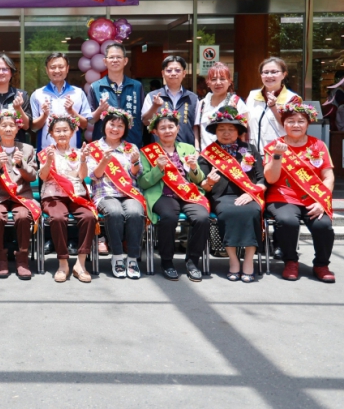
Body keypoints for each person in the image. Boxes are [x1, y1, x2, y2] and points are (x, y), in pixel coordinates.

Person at [264, 103, 335, 283]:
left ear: (308, 124)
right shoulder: (274, 146)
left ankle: (321, 264)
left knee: (323, 225)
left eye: (301, 121)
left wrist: (322, 201)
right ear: (283, 124)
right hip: (282, 197)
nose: (296, 125)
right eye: (291, 121)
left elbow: (328, 177)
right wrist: (277, 156)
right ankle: (290, 261)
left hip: (313, 198)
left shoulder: (318, 145)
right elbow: (271, 179)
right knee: (287, 221)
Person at [138, 109, 209, 282]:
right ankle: (167, 261)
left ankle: (193, 261)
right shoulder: (147, 152)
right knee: (169, 217)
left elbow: (199, 179)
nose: (167, 131)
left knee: (202, 218)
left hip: (187, 193)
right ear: (155, 131)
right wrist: (158, 169)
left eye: (171, 127)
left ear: (178, 128)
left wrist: (194, 168)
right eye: (162, 128)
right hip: (162, 194)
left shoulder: (188, 148)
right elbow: (143, 182)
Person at [198, 106, 266, 283]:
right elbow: (203, 187)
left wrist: (252, 194)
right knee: (228, 212)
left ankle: (249, 260)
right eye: (221, 129)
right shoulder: (208, 153)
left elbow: (262, 180)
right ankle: (234, 260)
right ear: (215, 132)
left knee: (252, 211)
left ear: (238, 131)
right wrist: (209, 182)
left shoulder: (250, 149)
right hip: (221, 197)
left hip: (249, 194)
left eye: (231, 129)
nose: (226, 133)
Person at [85, 107, 146, 279]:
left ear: (125, 129)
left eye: (120, 126)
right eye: (112, 124)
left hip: (128, 193)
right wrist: (104, 161)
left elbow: (136, 174)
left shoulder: (130, 147)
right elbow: (94, 176)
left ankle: (132, 258)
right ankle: (118, 257)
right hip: (104, 193)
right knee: (114, 212)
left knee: (135, 212)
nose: (115, 129)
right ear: (104, 125)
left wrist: (135, 163)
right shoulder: (94, 148)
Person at [38, 114, 98, 283]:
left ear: (72, 132)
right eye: (58, 131)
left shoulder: (79, 153)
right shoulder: (46, 153)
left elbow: (83, 176)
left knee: (88, 217)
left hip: (76, 195)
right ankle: (63, 263)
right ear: (51, 133)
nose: (62, 134)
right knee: (58, 217)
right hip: (53, 195)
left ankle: (80, 263)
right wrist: (49, 161)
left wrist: (83, 160)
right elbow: (43, 177)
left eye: (65, 130)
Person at [0, 108, 39, 280]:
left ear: (17, 128)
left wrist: (21, 164)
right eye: (4, 125)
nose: (8, 129)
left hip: (21, 196)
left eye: (11, 125)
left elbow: (33, 176)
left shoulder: (27, 149)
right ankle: (0, 257)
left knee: (23, 216)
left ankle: (22, 258)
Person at [87, 43, 145, 148]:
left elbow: (143, 118)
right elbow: (90, 120)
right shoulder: (96, 87)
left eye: (118, 57)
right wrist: (100, 110)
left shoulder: (137, 86)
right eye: (111, 57)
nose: (115, 60)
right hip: (104, 147)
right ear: (105, 61)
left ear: (125, 61)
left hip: (132, 145)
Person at [30, 52, 91, 150]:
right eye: (53, 67)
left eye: (61, 67)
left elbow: (85, 125)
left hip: (73, 151)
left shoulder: (78, 93)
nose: (57, 70)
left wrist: (72, 112)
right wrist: (44, 115)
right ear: (46, 70)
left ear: (67, 69)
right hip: (46, 151)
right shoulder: (37, 94)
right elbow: (33, 127)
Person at [247, 57, 302, 154]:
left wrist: (273, 107)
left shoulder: (292, 98)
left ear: (284, 74)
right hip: (253, 153)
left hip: (280, 153)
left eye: (274, 72)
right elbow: (245, 122)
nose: (269, 76)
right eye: (265, 72)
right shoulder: (252, 95)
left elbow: (293, 126)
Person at [141, 55, 200, 145]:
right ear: (163, 73)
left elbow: (195, 127)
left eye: (177, 70)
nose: (173, 73)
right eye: (169, 70)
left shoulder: (193, 98)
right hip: (159, 150)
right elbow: (145, 122)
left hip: (187, 150)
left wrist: (197, 148)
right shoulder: (152, 96)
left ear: (184, 73)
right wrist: (155, 106)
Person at [194, 62, 248, 151]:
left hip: (229, 155)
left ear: (229, 81)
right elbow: (197, 129)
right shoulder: (202, 103)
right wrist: (197, 149)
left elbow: (244, 133)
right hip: (206, 154)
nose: (218, 83)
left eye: (222, 79)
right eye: (214, 79)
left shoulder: (236, 102)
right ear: (208, 83)